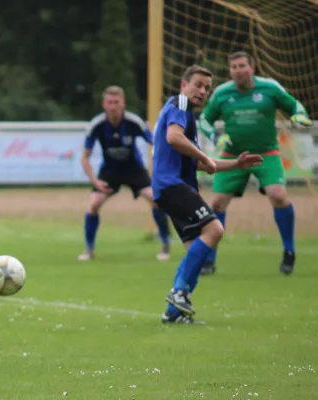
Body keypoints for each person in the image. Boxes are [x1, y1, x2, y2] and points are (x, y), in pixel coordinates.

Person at [152, 65, 263, 324]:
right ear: (184, 85)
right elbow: (173, 138)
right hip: (171, 185)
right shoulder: (179, 104)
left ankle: (174, 314)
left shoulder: (186, 117)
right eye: (198, 85)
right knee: (215, 230)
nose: (202, 91)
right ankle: (178, 292)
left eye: (207, 88)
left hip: (172, 188)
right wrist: (203, 156)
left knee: (197, 250)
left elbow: (202, 164)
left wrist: (236, 163)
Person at [198, 51, 312, 276]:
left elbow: (294, 105)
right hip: (232, 156)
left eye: (242, 66)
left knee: (278, 195)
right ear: (229, 71)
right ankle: (209, 259)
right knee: (217, 202)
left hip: (266, 153)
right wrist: (215, 137)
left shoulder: (270, 88)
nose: (238, 71)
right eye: (233, 67)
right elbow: (204, 119)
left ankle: (289, 251)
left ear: (252, 68)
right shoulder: (222, 93)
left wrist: (299, 115)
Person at [79, 86, 170, 261]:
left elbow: (155, 144)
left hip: (134, 169)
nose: (113, 106)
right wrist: (95, 182)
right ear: (104, 105)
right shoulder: (96, 125)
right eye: (110, 103)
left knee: (155, 199)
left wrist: (164, 167)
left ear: (123, 104)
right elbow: (84, 158)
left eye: (116, 102)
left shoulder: (134, 122)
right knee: (94, 204)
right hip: (110, 171)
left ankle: (165, 244)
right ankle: (89, 250)